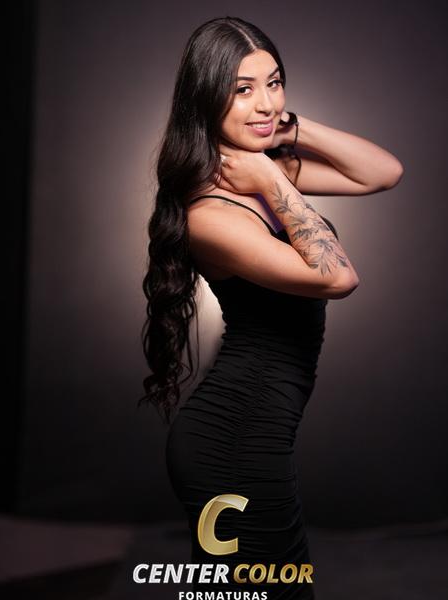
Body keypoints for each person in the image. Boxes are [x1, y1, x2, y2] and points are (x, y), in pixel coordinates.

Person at [140, 16, 403, 598]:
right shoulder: (210, 214)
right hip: (231, 444)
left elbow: (384, 173)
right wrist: (270, 176)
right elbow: (338, 278)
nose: (265, 103)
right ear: (206, 97)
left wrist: (292, 129)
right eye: (243, 89)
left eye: (274, 83)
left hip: (256, 437)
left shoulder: (265, 167)